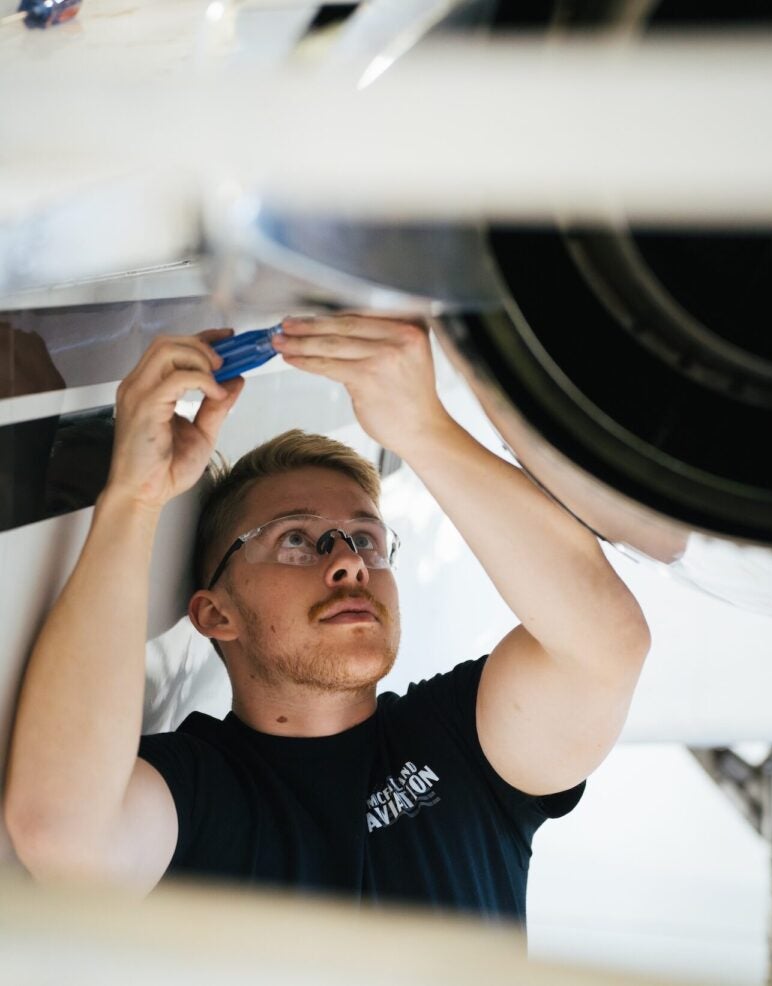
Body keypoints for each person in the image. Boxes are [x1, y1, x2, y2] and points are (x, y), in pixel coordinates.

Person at [4, 314, 650, 926]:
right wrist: (136, 497)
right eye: (295, 539)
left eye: (366, 539)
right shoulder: (198, 790)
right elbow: (62, 837)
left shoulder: (461, 746)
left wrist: (421, 427)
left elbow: (602, 648)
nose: (348, 563)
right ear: (215, 613)